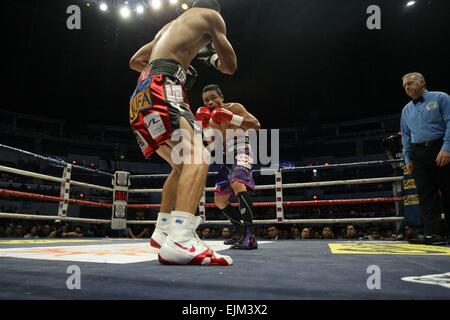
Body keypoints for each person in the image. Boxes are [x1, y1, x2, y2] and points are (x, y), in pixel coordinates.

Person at [128, 0, 237, 265]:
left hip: (141, 94)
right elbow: (230, 66)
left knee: (180, 166)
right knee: (198, 157)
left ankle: (163, 230)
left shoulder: (167, 28)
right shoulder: (212, 16)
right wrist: (210, 55)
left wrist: (184, 65)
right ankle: (181, 238)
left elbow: (136, 61)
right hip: (166, 87)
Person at [195, 84, 261, 249]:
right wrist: (205, 127)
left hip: (241, 148)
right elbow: (213, 146)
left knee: (238, 183)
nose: (210, 102)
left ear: (221, 97)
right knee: (219, 199)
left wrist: (231, 118)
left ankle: (250, 235)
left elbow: (256, 125)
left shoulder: (235, 107)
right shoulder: (207, 119)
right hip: (224, 156)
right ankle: (239, 230)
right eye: (206, 100)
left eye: (213, 98)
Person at [400, 72, 450, 245]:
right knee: (426, 195)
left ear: (422, 83)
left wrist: (447, 147)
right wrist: (408, 159)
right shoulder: (406, 110)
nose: (407, 87)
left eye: (410, 83)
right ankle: (433, 234)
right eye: (405, 85)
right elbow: (405, 136)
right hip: (418, 154)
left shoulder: (441, 98)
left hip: (441, 148)